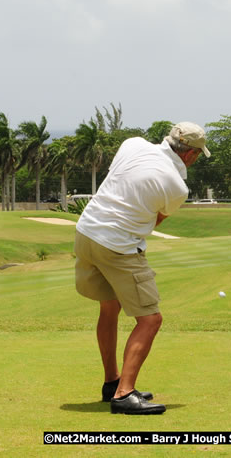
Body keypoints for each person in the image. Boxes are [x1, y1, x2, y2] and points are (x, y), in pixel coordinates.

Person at [74, 122, 210, 415]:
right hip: (117, 245)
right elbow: (155, 220)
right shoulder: (177, 187)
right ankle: (124, 395)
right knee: (150, 320)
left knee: (109, 308)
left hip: (86, 232)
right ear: (190, 155)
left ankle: (113, 382)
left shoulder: (132, 143)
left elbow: (118, 180)